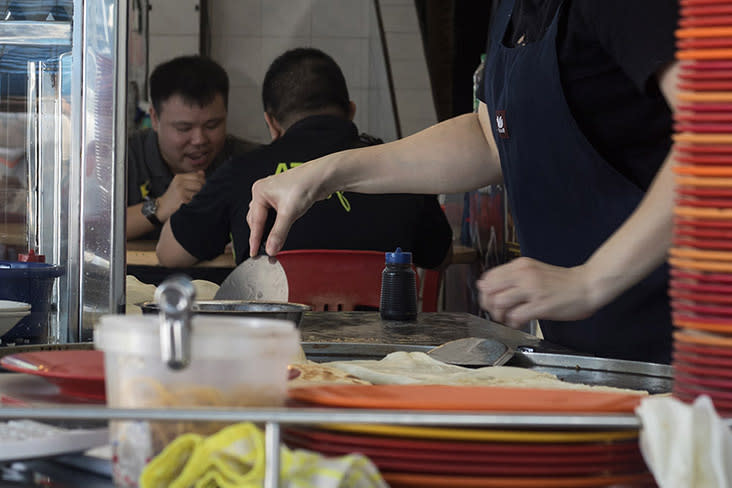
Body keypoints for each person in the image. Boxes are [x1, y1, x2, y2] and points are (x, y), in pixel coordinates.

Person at [244, 1, 680, 364]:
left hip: (683, 338)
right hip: (593, 351)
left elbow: (716, 131)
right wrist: (326, 173)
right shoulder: (512, 8)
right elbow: (488, 138)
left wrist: (591, 281)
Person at [156, 48, 452, 270]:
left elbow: (169, 253)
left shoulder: (245, 173)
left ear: (271, 123)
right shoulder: (400, 167)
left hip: (275, 346)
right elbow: (441, 256)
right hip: (386, 349)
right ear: (350, 111)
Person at [126, 56, 260, 240]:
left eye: (212, 125)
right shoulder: (121, 160)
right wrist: (159, 207)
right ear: (155, 119)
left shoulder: (248, 161)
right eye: (184, 128)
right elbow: (89, 230)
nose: (199, 140)